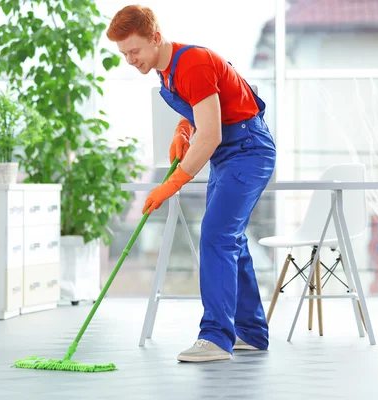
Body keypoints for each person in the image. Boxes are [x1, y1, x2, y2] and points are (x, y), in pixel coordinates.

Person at [106, 5, 277, 363]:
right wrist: (184, 127)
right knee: (231, 239)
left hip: (247, 150)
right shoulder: (165, 71)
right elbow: (204, 113)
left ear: (155, 38)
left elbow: (212, 134)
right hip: (229, 154)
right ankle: (251, 332)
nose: (130, 60)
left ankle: (215, 337)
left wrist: (174, 183)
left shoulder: (192, 63)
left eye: (134, 51)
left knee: (216, 234)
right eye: (124, 54)